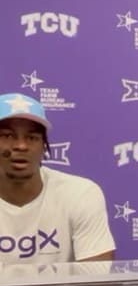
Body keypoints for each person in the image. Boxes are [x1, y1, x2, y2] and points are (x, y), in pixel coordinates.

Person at [0, 92, 116, 264]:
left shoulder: (80, 193)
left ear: (43, 147)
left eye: (32, 137)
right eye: (7, 136)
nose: (21, 146)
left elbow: (97, 284)